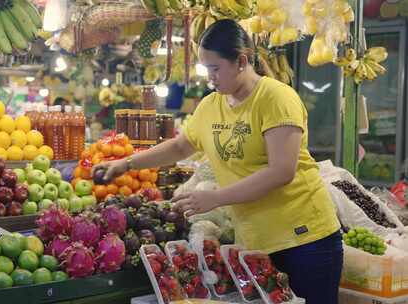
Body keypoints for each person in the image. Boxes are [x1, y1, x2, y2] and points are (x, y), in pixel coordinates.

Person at [94, 19, 342, 303]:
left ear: (241, 61)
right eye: (205, 69)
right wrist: (126, 164)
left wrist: (217, 198)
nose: (210, 77)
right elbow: (179, 147)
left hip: (305, 239)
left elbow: (281, 171)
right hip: (256, 242)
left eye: (215, 68)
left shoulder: (275, 98)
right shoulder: (211, 105)